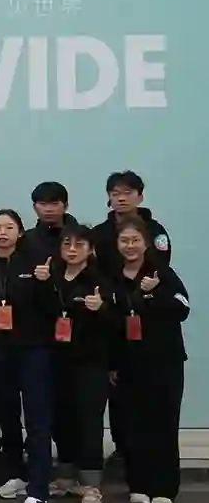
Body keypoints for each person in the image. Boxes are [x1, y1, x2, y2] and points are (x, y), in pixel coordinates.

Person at [0, 210, 56, 503]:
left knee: (36, 419)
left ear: (20, 232)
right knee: (6, 416)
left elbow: (51, 308)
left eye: (9, 227)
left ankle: (39, 490)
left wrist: (45, 283)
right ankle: (17, 473)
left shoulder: (35, 264)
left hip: (32, 349)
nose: (3, 232)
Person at [108, 214, 189, 503]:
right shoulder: (112, 278)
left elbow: (182, 309)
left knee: (164, 423)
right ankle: (139, 485)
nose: (130, 246)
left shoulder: (162, 273)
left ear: (146, 244)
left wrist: (154, 292)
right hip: (128, 364)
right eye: (124, 240)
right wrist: (112, 363)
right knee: (133, 425)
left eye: (135, 240)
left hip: (164, 360)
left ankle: (165, 487)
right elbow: (110, 324)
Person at [93, 170, 172, 463]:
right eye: (115, 193)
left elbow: (160, 270)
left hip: (148, 318)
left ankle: (151, 451)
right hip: (113, 316)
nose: (121, 198)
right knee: (117, 387)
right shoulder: (100, 233)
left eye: (127, 193)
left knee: (151, 394)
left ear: (140, 196)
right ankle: (122, 447)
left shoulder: (156, 230)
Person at [47, 223, 115, 503]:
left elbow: (116, 326)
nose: (72, 250)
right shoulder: (51, 278)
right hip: (56, 360)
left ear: (90, 249)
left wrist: (102, 308)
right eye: (67, 244)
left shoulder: (100, 281)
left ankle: (91, 485)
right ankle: (65, 477)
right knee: (60, 419)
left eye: (79, 245)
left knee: (88, 421)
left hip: (90, 362)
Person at [22, 181, 77, 262]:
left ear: (65, 206)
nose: (48, 209)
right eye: (43, 204)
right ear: (34, 207)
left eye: (54, 204)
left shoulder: (83, 237)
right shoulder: (25, 240)